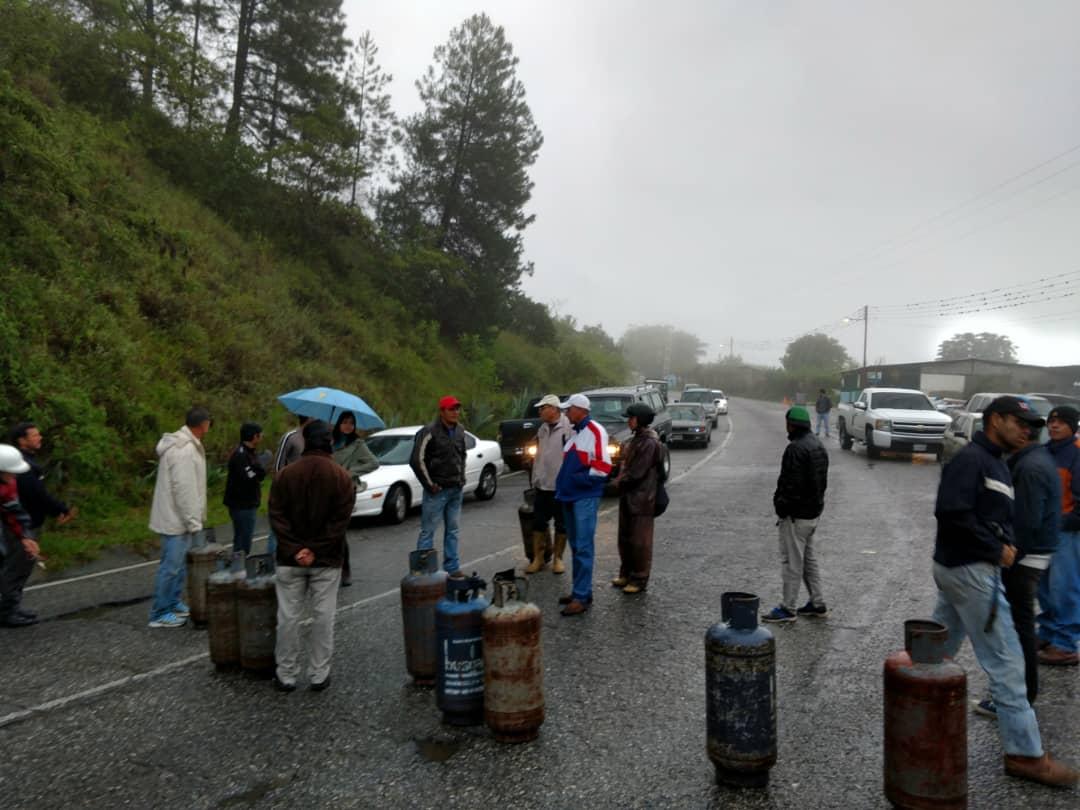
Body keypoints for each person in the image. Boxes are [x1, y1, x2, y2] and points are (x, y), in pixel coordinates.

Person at [932, 396, 1076, 787]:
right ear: (995, 419)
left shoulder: (996, 460)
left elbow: (987, 514)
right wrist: (995, 548)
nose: (1028, 430)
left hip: (961, 567)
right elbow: (951, 511)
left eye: (1033, 425)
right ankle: (1025, 755)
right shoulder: (973, 459)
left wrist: (999, 542)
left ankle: (915, 712)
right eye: (1020, 422)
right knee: (1009, 664)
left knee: (934, 648)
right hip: (971, 571)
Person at [974, 411, 1059, 716]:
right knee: (1018, 625)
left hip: (1026, 558)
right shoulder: (1034, 460)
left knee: (1017, 628)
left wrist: (1007, 555)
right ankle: (1019, 694)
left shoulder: (1030, 468)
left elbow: (1026, 521)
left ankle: (1018, 698)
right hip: (1033, 554)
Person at [269, 420, 355, 692]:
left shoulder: (284, 476)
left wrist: (296, 549)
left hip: (288, 559)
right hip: (327, 560)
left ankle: (286, 674)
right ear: (330, 442)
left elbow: (276, 517)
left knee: (287, 618)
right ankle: (318, 674)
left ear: (305, 441)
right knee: (323, 618)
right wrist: (315, 549)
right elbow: (339, 523)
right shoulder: (341, 477)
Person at [763, 406, 829, 623]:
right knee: (809, 561)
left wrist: (781, 507)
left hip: (796, 516)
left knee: (792, 562)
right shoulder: (818, 445)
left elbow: (791, 485)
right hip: (813, 514)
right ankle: (817, 603)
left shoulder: (795, 449)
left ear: (791, 424)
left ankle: (788, 608)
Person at [147, 407, 211, 629]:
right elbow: (184, 491)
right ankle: (159, 611)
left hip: (179, 518)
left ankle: (173, 602)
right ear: (203, 425)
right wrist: (194, 523)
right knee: (171, 566)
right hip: (176, 519)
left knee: (179, 565)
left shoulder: (187, 445)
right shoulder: (183, 449)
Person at [555, 393, 612, 616]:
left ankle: (581, 596)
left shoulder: (595, 431)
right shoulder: (575, 433)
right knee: (577, 546)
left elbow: (602, 467)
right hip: (570, 496)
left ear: (581, 410)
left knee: (584, 546)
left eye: (569, 409)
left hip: (583, 497)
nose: (566, 413)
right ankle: (581, 591)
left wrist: (577, 482)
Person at [1038, 405, 1080, 666]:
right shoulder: (1044, 452)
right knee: (1044, 586)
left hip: (1067, 532)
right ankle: (1049, 633)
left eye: (1061, 422)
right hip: (1043, 531)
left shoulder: (1077, 454)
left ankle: (1065, 645)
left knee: (1064, 588)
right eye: (1051, 421)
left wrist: (1066, 523)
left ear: (1072, 426)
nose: (1054, 426)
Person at [612, 402, 663, 594]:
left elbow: (636, 473)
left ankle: (639, 578)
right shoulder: (635, 439)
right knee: (624, 539)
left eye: (631, 418)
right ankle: (626, 573)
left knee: (640, 542)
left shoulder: (649, 442)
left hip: (642, 500)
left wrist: (615, 483)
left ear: (640, 420)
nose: (628, 421)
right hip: (629, 497)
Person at [9, 422, 78, 543]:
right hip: (23, 522)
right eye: (35, 436)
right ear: (22, 441)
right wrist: (61, 509)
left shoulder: (22, 459)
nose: (40, 438)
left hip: (23, 520)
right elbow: (37, 494)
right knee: (23, 557)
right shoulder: (23, 465)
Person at [332, 411, 379, 586]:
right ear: (338, 424)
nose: (348, 426)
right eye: (344, 422)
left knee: (339, 530)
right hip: (327, 489)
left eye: (351, 423)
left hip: (345, 490)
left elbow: (374, 463)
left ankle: (345, 570)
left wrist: (350, 472)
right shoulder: (329, 441)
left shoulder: (357, 444)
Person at [525, 394, 571, 575]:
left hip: (560, 485)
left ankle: (558, 559)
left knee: (561, 524)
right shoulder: (542, 429)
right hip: (542, 484)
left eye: (543, 408)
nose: (540, 411)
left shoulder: (568, 428)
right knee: (538, 522)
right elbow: (538, 454)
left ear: (553, 409)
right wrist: (535, 477)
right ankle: (539, 558)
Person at [0, 444, 40, 628]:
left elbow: (14, 511)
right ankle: (7, 610)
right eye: (10, 472)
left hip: (5, 526)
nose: (14, 476)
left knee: (17, 561)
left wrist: (26, 536)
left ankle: (9, 607)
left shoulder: (8, 483)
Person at [266, 414, 312, 556]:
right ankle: (271, 563)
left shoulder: (316, 438)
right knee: (279, 529)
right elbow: (278, 466)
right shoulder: (291, 437)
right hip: (288, 491)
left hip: (307, 494)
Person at [223, 422, 267, 556]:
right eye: (260, 435)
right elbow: (251, 477)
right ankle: (239, 570)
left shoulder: (250, 452)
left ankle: (239, 568)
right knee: (243, 542)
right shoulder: (240, 455)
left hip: (247, 503)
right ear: (255, 436)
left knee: (243, 539)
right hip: (242, 505)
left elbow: (258, 473)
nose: (262, 437)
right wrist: (261, 467)